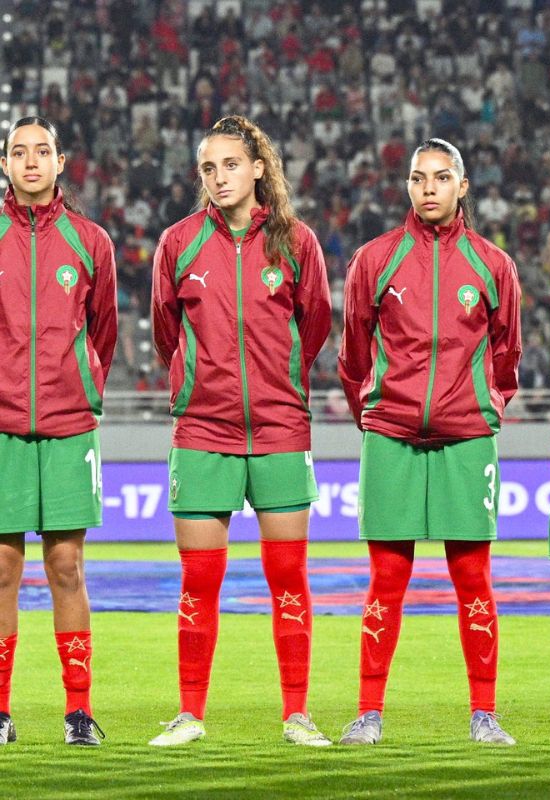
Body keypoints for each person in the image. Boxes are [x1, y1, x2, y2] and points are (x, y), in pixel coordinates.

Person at [149, 116, 332, 746]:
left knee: (289, 579)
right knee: (199, 581)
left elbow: (314, 328)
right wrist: (207, 385)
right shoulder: (178, 244)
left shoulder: (297, 242)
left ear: (258, 168)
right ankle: (190, 715)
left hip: (281, 431)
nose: (219, 178)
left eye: (231, 164)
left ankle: (297, 715)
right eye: (208, 168)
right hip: (202, 430)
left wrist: (277, 385)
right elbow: (164, 334)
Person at [337, 138, 522, 746]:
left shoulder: (493, 265)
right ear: (408, 186)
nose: (429, 189)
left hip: (466, 439)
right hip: (390, 434)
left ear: (462, 186)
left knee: (474, 577)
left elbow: (508, 351)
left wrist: (486, 405)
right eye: (419, 179)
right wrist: (372, 411)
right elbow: (352, 352)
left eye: (441, 178)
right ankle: (368, 712)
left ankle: (484, 713)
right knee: (386, 577)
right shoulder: (374, 259)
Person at [0, 116, 117, 747]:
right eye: (19, 152)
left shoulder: (89, 240)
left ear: (60, 161)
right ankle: (0, 713)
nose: (30, 162)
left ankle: (78, 713)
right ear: (6, 165)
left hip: (70, 424)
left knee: (68, 565)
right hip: (1, 428)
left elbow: (103, 331)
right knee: (1, 569)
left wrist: (77, 384)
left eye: (41, 151)